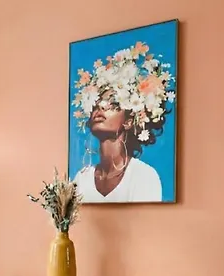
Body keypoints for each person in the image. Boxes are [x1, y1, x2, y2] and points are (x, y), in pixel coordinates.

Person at [70, 41, 175, 203]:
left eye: (113, 104)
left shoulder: (144, 176)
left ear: (129, 121)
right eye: (95, 103)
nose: (100, 108)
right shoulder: (82, 179)